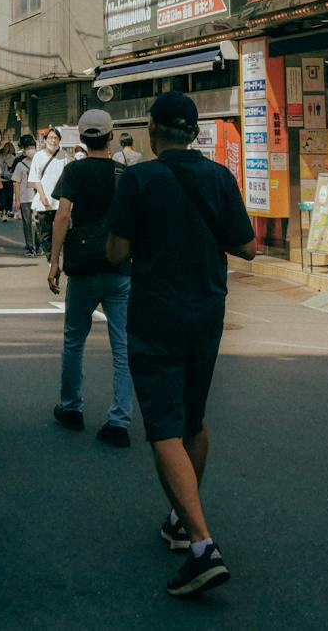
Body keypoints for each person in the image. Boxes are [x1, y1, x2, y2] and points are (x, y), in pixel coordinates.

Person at [107, 92, 255, 598]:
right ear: (193, 133)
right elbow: (249, 246)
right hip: (208, 313)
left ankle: (201, 545)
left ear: (152, 130)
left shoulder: (139, 179)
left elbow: (117, 250)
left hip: (155, 315)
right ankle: (178, 519)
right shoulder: (220, 178)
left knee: (164, 426)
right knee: (193, 418)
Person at [47, 109, 134, 447]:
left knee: (74, 339)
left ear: (82, 139)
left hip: (83, 267)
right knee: (123, 345)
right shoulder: (122, 173)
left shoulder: (74, 170)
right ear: (110, 137)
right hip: (118, 267)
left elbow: (63, 215)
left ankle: (71, 407)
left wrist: (54, 262)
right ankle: (119, 420)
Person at [27, 127, 69, 260]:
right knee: (45, 233)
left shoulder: (65, 156)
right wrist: (43, 196)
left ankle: (59, 256)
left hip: (61, 202)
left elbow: (69, 178)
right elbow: (35, 179)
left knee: (62, 232)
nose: (53, 140)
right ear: (45, 140)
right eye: (50, 137)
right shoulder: (38, 156)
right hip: (44, 201)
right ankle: (51, 259)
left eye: (56, 138)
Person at [13, 134, 38, 254]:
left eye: (32, 147)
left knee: (39, 223)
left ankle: (39, 245)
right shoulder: (20, 165)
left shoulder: (40, 163)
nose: (30, 150)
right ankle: (29, 246)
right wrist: (17, 200)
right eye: (28, 147)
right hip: (24, 199)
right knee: (27, 223)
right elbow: (17, 183)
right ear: (24, 149)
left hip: (38, 198)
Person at [0, 140, 18, 220]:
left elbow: (14, 169)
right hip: (1, 180)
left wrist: (8, 163)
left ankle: (8, 211)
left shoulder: (13, 157)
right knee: (2, 197)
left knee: (9, 197)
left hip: (10, 180)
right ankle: (3, 213)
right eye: (5, 147)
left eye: (8, 147)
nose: (6, 148)